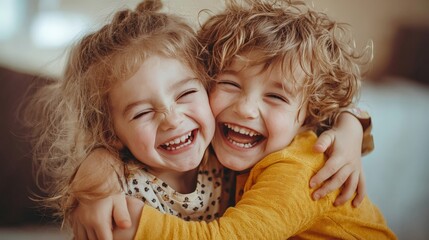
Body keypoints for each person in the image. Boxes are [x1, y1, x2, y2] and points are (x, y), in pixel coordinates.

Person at [26, 0, 374, 239]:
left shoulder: (302, 169)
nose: (246, 109)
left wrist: (351, 123)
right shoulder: (216, 147)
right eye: (230, 84)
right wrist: (95, 175)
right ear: (208, 80)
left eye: (276, 96)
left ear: (310, 118)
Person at [24, 0, 225, 232]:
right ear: (111, 133)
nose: (172, 120)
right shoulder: (124, 197)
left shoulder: (227, 154)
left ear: (208, 86)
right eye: (143, 113)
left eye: (186, 93)